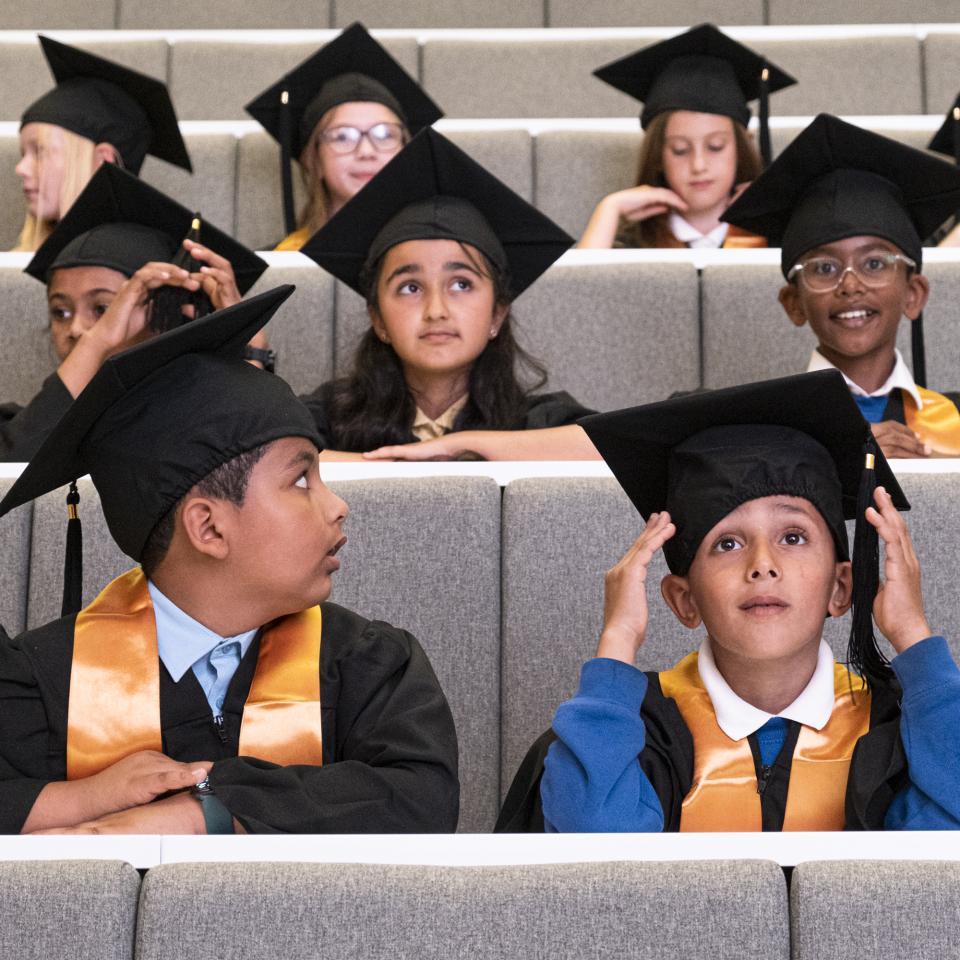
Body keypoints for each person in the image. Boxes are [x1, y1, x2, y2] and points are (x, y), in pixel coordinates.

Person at [0, 287, 459, 835]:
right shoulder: (45, 680)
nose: (337, 506)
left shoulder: (367, 665)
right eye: (300, 480)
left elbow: (418, 800)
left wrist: (200, 813)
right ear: (209, 527)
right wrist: (87, 802)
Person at [497, 371, 960, 833]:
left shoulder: (892, 728)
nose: (762, 564)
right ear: (684, 600)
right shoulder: (631, 734)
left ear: (842, 589)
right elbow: (596, 864)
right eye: (728, 544)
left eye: (793, 537)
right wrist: (617, 641)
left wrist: (913, 636)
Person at [297, 128, 600, 462]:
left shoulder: (535, 421)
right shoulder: (331, 417)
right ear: (378, 318)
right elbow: (259, 454)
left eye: (461, 285)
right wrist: (403, 466)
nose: (436, 310)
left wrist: (458, 445)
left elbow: (608, 447)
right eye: (410, 288)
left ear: (497, 314)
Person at [723, 113, 960, 459]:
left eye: (875, 264)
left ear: (914, 294)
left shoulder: (952, 424)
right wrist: (842, 459)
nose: (850, 285)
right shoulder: (754, 429)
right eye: (824, 268)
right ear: (794, 303)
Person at [0, 163, 268, 462]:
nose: (76, 329)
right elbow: (14, 478)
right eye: (60, 312)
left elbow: (250, 461)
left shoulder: (194, 424)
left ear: (165, 319)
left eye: (103, 308)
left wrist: (248, 349)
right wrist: (98, 340)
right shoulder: (21, 426)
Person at [579, 24, 794, 250]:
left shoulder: (776, 238)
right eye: (680, 150)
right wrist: (609, 209)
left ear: (740, 150)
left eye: (715, 146)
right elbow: (583, 285)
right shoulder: (634, 244)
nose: (698, 165)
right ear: (659, 158)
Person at [245, 22, 443, 251]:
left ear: (406, 150)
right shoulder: (282, 262)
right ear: (313, 159)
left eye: (384, 134)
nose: (366, 152)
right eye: (343, 137)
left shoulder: (438, 252)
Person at [15, 36, 191, 252]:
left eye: (40, 152)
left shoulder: (140, 262)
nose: (20, 169)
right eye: (23, 154)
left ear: (103, 161)